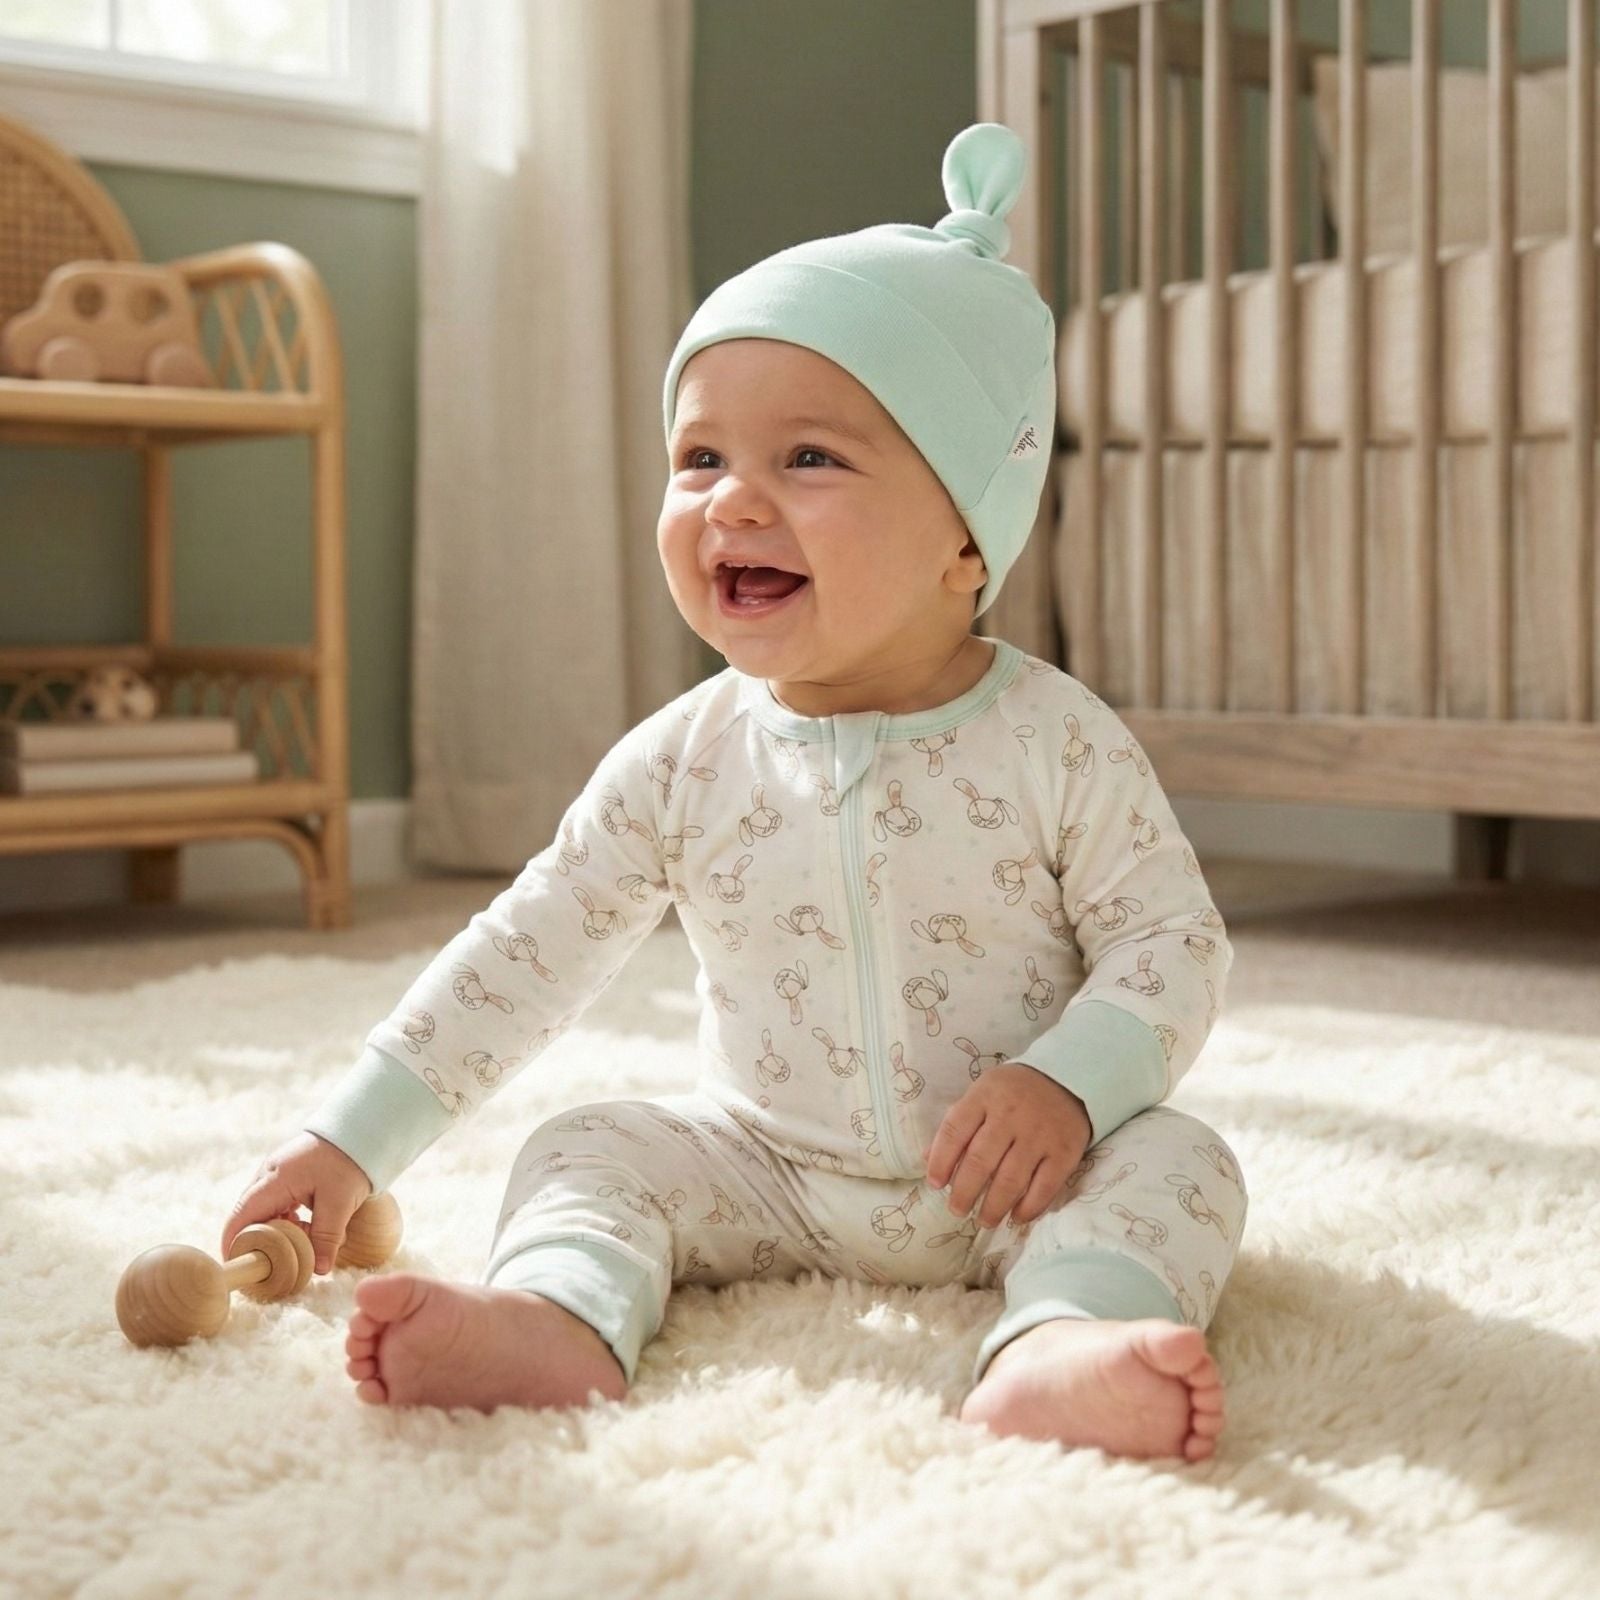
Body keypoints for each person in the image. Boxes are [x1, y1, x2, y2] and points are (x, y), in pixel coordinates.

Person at [222, 123, 1247, 1461]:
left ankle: (1065, 1339)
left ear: (965, 540)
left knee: (1184, 1165)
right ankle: (557, 1315)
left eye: (808, 459)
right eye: (700, 458)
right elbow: (524, 957)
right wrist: (348, 1142)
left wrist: (1072, 1086)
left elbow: (1171, 944)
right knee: (587, 1144)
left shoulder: (1056, 740)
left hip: (1027, 1173)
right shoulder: (683, 759)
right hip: (763, 1171)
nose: (732, 501)